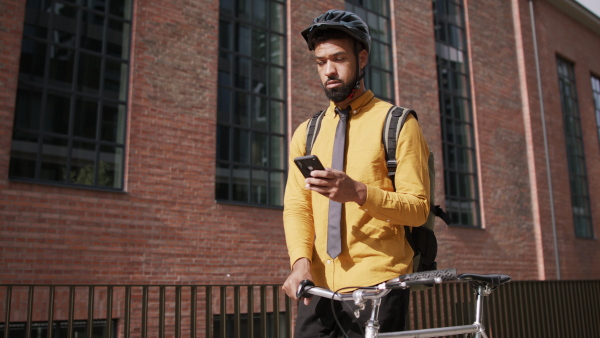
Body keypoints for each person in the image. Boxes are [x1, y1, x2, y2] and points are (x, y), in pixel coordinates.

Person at [281, 9, 431, 337]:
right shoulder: (306, 133)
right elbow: (297, 207)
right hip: (318, 289)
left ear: (361, 59)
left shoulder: (398, 124)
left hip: (380, 286)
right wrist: (300, 263)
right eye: (321, 62)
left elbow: (418, 209)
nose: (329, 71)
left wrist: (359, 193)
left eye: (338, 58)